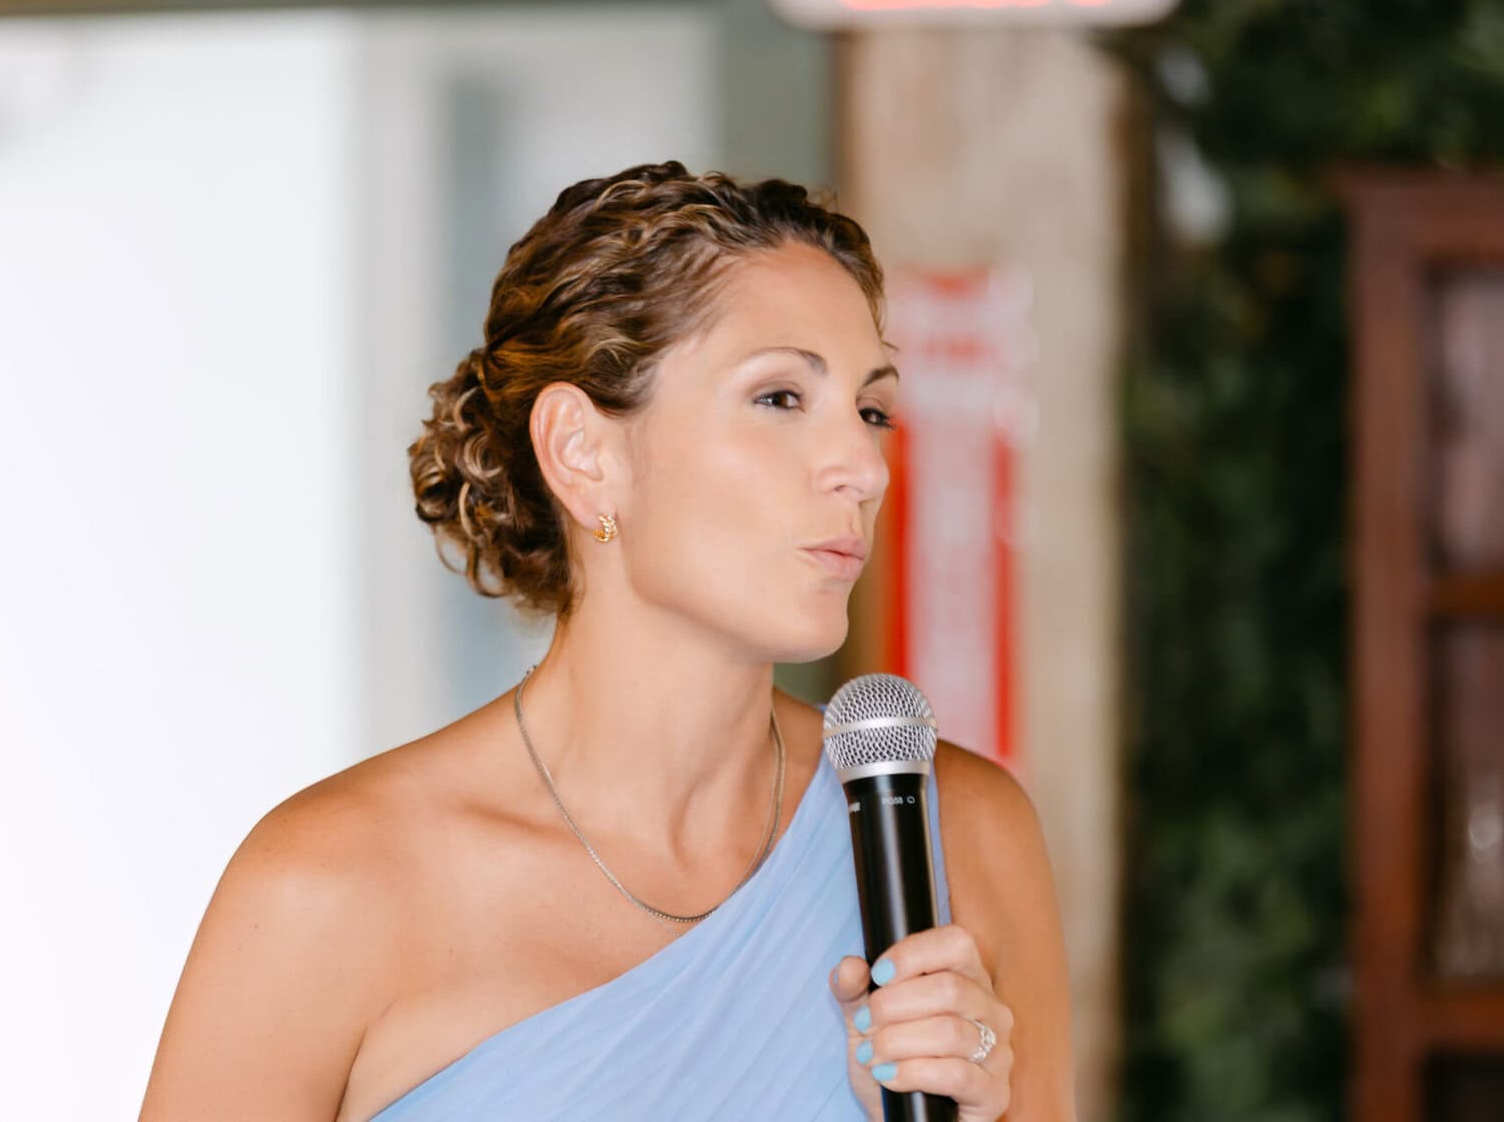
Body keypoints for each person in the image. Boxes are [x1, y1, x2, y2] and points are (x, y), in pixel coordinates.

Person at [139, 161, 1076, 1121]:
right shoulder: (327, 889)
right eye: (780, 398)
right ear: (583, 453)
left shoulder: (962, 831)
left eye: (871, 411)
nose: (864, 468)